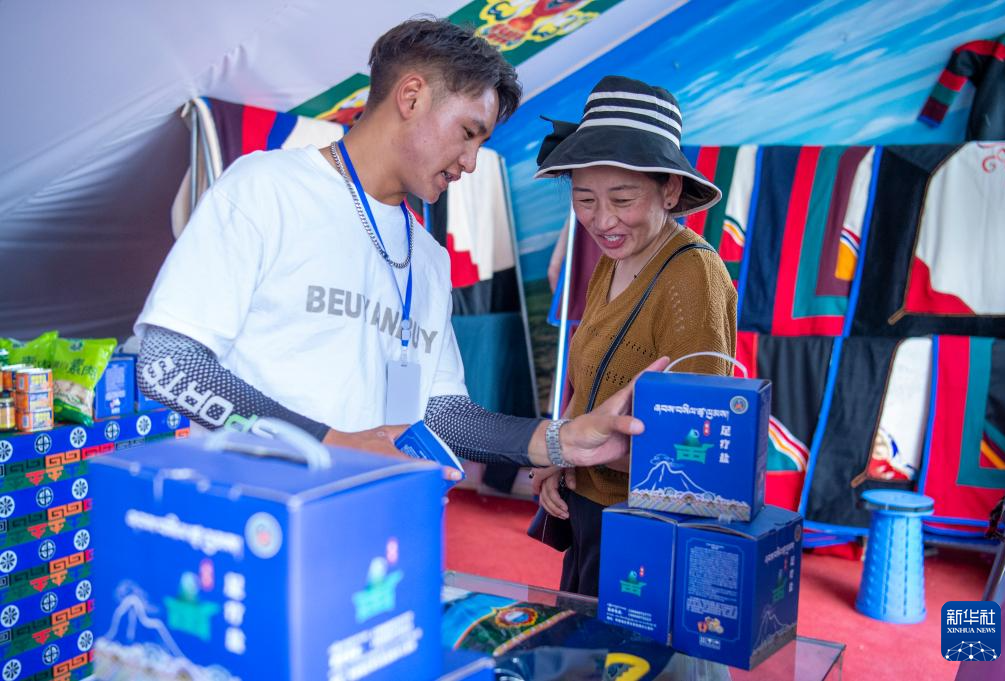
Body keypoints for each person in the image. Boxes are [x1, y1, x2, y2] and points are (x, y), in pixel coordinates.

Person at [134, 19, 660, 477]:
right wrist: (326, 442)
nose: (471, 161)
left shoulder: (428, 257)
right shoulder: (266, 188)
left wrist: (563, 440)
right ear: (411, 97)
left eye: (481, 144)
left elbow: (443, 414)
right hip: (252, 518)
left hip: (373, 515)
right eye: (468, 132)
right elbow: (168, 365)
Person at [530, 75, 738, 596]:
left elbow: (696, 446)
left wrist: (578, 453)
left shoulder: (692, 278)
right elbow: (589, 382)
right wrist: (560, 450)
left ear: (670, 190)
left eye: (622, 199)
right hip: (587, 511)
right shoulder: (610, 260)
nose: (602, 220)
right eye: (584, 199)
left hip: (645, 530)